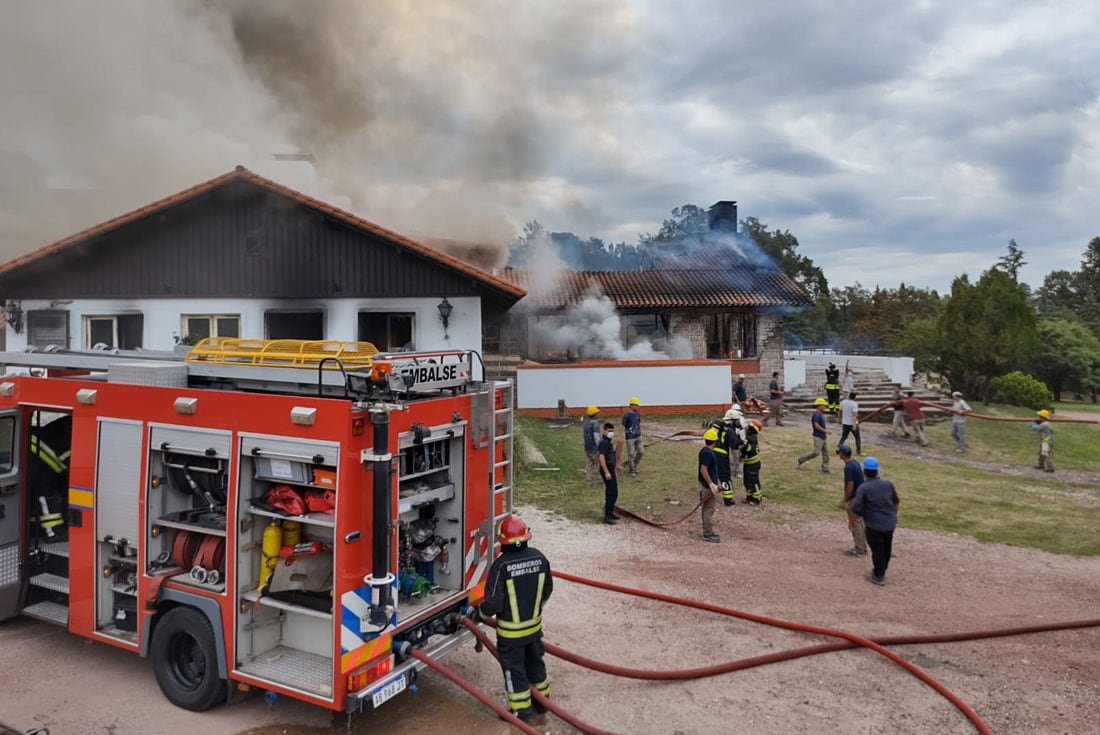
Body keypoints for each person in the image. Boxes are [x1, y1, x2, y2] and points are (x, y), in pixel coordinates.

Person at [479, 516, 553, 723]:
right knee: (536, 663)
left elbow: (493, 602)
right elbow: (547, 589)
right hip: (534, 629)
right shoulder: (540, 558)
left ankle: (521, 713)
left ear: (503, 541)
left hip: (510, 636)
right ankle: (542, 703)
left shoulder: (501, 566)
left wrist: (480, 615)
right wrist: (534, 608)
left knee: (515, 670)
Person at [847, 457, 899, 586]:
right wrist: (894, 515)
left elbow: (855, 508)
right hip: (889, 524)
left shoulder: (864, 488)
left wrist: (852, 523)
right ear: (877, 470)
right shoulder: (888, 483)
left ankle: (878, 575)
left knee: (877, 550)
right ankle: (881, 570)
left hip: (874, 525)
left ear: (864, 471)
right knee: (887, 548)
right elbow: (896, 502)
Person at [837, 444, 866, 557]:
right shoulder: (855, 463)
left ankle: (859, 550)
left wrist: (845, 499)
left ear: (842, 455)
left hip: (855, 498)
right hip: (860, 496)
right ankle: (862, 547)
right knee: (860, 522)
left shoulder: (848, 467)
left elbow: (850, 484)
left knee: (856, 522)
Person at [710, 406, 743, 506]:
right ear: (731, 420)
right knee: (725, 476)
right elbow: (734, 445)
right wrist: (741, 440)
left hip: (712, 452)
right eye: (736, 420)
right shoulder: (729, 430)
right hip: (721, 455)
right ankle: (728, 499)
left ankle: (706, 494)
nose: (738, 422)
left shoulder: (720, 427)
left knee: (711, 474)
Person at [698, 428, 722, 543]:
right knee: (708, 509)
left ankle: (707, 531)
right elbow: (704, 469)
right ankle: (707, 533)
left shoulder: (705, 451)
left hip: (706, 485)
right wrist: (711, 484)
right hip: (707, 487)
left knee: (707, 509)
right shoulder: (708, 453)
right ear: (715, 441)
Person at [796, 397, 830, 473]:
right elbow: (816, 426)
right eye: (823, 405)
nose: (825, 407)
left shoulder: (821, 415)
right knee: (815, 452)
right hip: (818, 436)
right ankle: (800, 459)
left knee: (826, 452)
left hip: (823, 436)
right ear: (819, 406)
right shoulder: (816, 415)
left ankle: (825, 468)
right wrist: (826, 431)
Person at [597, 422, 619, 524]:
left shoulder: (608, 441)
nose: (611, 433)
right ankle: (607, 515)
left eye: (612, 431)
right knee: (611, 492)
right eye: (609, 431)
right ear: (604, 431)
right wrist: (606, 472)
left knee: (614, 492)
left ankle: (610, 512)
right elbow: (601, 458)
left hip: (611, 468)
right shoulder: (604, 443)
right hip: (607, 469)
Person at [741, 418, 763, 504]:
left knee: (753, 481)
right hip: (747, 463)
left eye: (748, 427)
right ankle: (749, 497)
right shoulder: (749, 437)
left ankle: (757, 498)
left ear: (752, 429)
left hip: (753, 464)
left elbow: (750, 450)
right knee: (746, 480)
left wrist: (744, 444)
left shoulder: (752, 439)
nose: (746, 428)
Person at [621, 397, 644, 477]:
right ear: (631, 405)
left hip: (638, 436)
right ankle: (632, 470)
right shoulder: (626, 415)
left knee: (641, 452)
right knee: (631, 454)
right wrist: (620, 436)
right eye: (636, 405)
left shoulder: (637, 413)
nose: (637, 406)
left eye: (638, 405)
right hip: (630, 438)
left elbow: (638, 423)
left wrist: (640, 433)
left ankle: (635, 465)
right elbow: (622, 426)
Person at [582, 405, 600, 485]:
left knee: (589, 464)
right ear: (595, 414)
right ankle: (602, 480)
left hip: (587, 448)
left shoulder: (586, 422)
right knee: (600, 464)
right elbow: (596, 437)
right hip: (594, 448)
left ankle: (589, 480)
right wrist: (600, 446)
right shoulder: (595, 424)